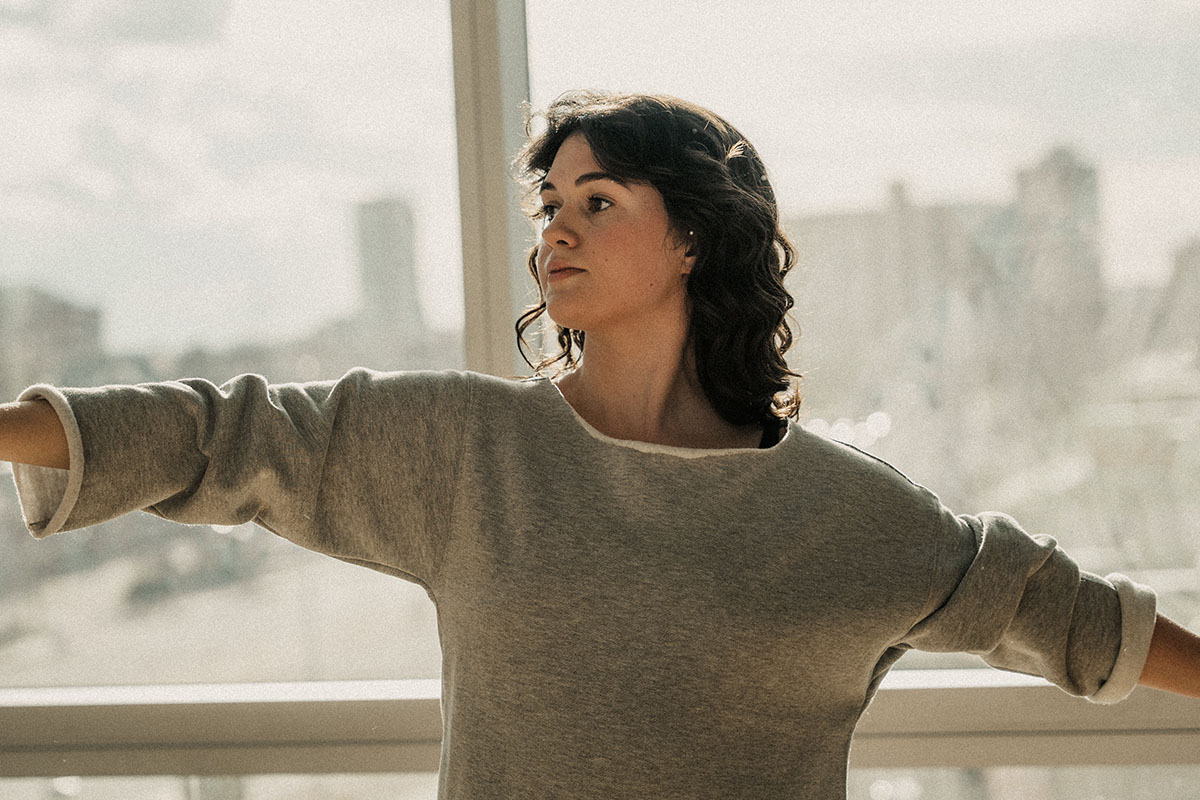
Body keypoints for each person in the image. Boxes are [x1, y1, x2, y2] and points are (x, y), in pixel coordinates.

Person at [1, 90, 1199, 799]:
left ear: (693, 239)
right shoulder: (471, 448)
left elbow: (1070, 610)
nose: (555, 234)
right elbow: (226, 433)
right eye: (550, 207)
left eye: (599, 202)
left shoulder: (851, 514)